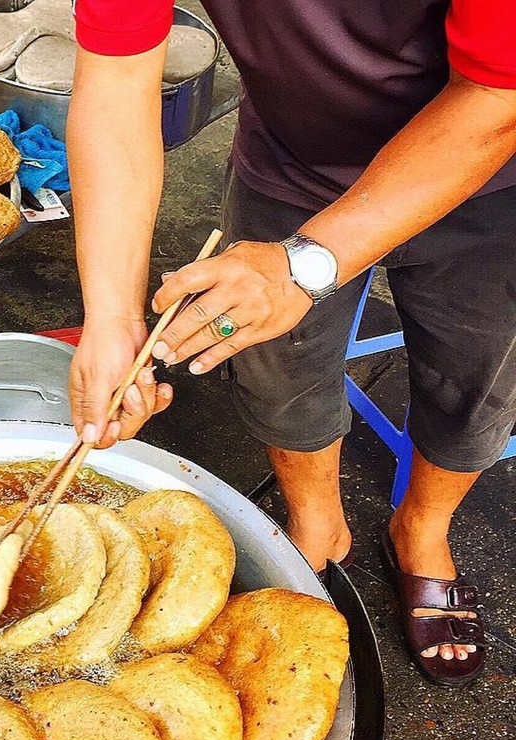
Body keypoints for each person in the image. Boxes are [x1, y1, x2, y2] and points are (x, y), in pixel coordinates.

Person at [67, 0, 516, 685]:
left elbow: (497, 89)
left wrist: (307, 265)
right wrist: (109, 315)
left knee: (475, 380)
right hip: (295, 158)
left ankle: (421, 530)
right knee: (276, 372)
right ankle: (316, 526)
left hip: (489, 169)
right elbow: (118, 81)